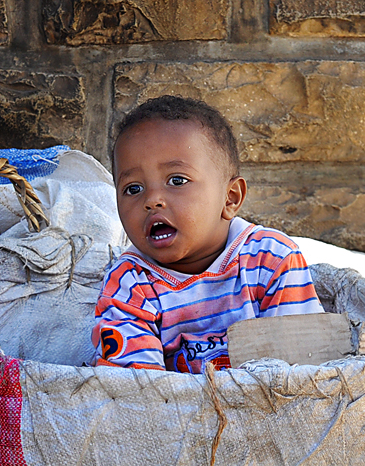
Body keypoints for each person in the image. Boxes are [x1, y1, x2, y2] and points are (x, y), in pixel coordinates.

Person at [93, 95, 324, 373]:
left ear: (230, 198)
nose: (152, 200)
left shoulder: (272, 260)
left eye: (177, 180)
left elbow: (305, 372)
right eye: (133, 188)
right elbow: (138, 393)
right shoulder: (129, 283)